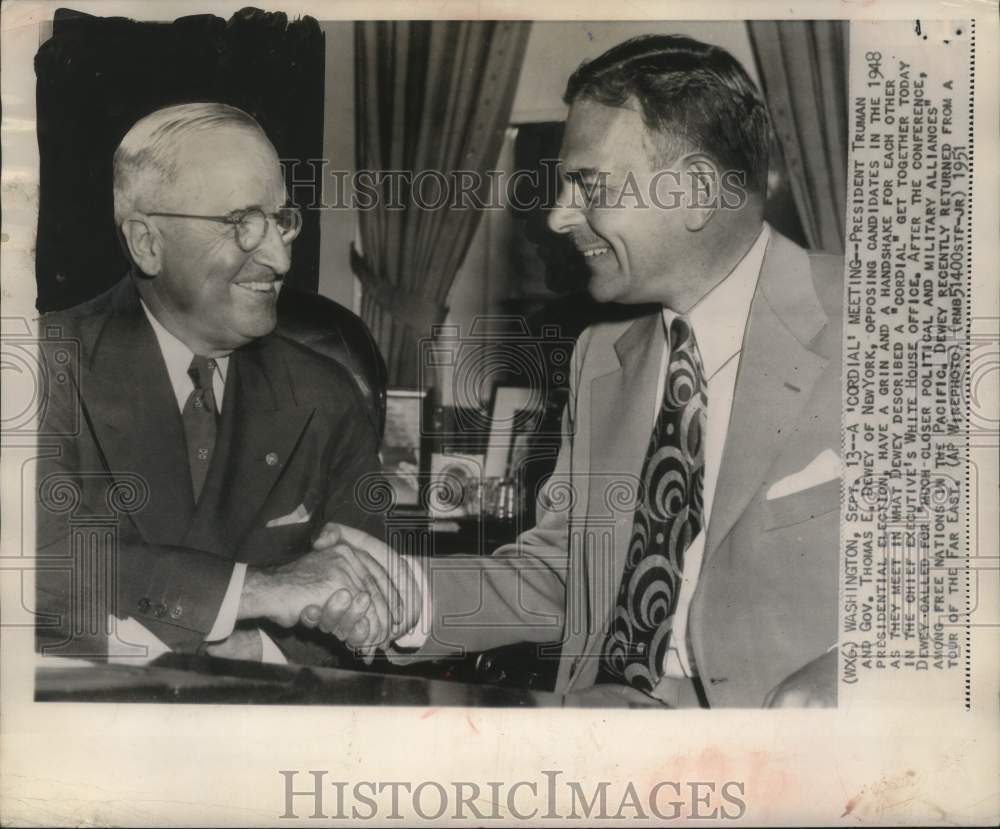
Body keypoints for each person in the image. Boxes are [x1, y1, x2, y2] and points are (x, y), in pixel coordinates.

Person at [306, 35, 843, 708]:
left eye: (589, 185)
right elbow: (565, 574)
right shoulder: (600, 357)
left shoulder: (886, 326)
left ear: (697, 191)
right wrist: (402, 594)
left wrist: (851, 677)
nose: (559, 216)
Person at [35, 102, 419, 666]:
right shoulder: (39, 368)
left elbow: (364, 609)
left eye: (282, 221)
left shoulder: (327, 393)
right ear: (147, 242)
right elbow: (33, 565)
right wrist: (257, 590)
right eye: (241, 223)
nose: (279, 256)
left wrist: (252, 649)